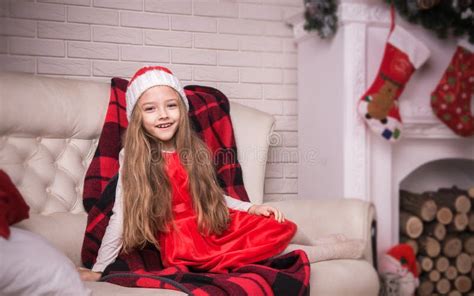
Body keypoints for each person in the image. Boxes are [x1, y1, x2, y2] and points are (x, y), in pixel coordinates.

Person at [79, 66, 365, 281]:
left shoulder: (194, 150)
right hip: (187, 243)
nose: (163, 115)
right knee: (271, 254)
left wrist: (253, 208)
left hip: (214, 223)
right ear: (138, 117)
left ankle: (319, 242)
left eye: (171, 105)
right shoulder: (133, 157)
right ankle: (337, 250)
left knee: (277, 224)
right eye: (151, 109)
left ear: (182, 108)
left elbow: (216, 197)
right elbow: (121, 215)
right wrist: (100, 269)